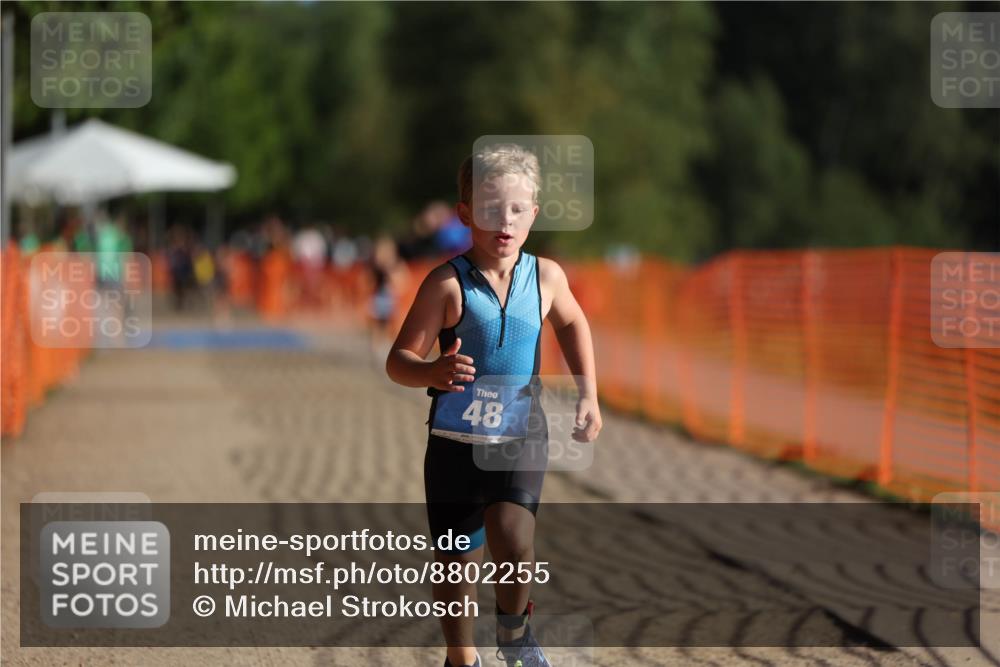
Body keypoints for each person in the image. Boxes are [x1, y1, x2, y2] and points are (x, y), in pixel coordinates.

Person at [386, 144, 602, 667]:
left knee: (513, 536)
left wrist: (589, 393)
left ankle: (514, 634)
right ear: (465, 215)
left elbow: (573, 323)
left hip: (519, 433)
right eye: (489, 208)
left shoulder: (546, 277)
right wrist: (430, 372)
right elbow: (398, 359)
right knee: (455, 563)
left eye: (516, 209)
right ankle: (461, 657)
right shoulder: (445, 283)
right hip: (455, 441)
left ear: (534, 213)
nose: (503, 221)